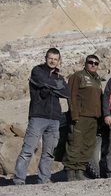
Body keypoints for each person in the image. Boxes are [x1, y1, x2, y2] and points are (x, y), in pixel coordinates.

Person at [13, 48, 70, 185]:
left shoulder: (59, 77)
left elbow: (67, 92)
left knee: (49, 153)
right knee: (28, 150)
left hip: (54, 118)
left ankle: (44, 179)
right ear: (45, 58)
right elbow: (43, 82)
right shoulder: (37, 71)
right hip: (38, 116)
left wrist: (53, 87)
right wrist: (56, 88)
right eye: (50, 58)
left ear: (59, 61)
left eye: (55, 59)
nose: (52, 61)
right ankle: (19, 180)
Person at [63, 55, 103, 181]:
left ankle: (80, 171)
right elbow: (71, 96)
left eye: (96, 63)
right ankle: (70, 172)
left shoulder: (97, 80)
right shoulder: (78, 76)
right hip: (80, 116)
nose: (93, 65)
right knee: (75, 143)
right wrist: (74, 114)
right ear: (85, 63)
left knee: (88, 145)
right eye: (90, 62)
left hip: (94, 118)